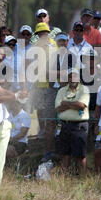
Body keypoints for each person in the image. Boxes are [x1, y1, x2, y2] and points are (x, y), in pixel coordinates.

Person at [28, 22, 58, 161]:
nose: (42, 35)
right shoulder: (35, 46)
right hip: (39, 84)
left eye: (44, 32)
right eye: (40, 33)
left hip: (52, 84)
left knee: (50, 114)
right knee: (40, 111)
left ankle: (51, 139)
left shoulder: (54, 44)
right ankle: (42, 136)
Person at [55, 68, 90, 176]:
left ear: (79, 78)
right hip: (64, 125)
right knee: (65, 154)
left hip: (79, 126)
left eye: (75, 76)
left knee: (80, 155)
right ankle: (63, 181)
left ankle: (82, 180)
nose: (72, 78)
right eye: (70, 76)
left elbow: (82, 105)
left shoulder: (84, 89)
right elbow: (57, 109)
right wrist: (74, 104)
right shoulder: (61, 90)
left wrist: (66, 103)